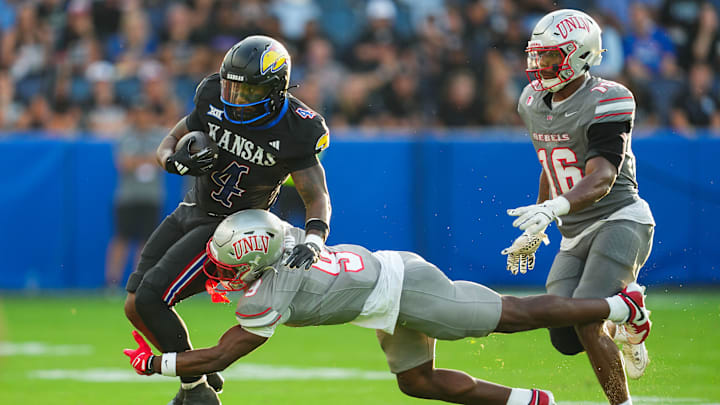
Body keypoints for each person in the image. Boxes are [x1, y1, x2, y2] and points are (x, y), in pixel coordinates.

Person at [124, 209, 651, 405]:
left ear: (257, 261)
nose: (225, 276)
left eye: (230, 266)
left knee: (511, 317)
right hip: (380, 303)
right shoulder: (285, 241)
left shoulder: (271, 292)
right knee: (416, 382)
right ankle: (533, 402)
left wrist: (158, 363)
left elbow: (219, 357)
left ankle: (618, 306)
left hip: (405, 288)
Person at [123, 35, 333, 405]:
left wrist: (315, 239)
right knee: (134, 305)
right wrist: (173, 161)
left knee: (151, 299)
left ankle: (198, 391)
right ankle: (197, 378)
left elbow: (316, 195)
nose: (234, 97)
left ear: (273, 91)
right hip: (192, 208)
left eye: (247, 90)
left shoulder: (297, 128)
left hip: (233, 228)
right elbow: (168, 142)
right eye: (230, 86)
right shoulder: (210, 96)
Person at [502, 9, 655, 405]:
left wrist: (553, 209)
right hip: (574, 231)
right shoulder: (532, 99)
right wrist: (539, 224)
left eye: (551, 57)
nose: (540, 65)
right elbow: (549, 163)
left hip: (619, 218)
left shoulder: (610, 98)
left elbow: (602, 178)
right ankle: (628, 313)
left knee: (587, 319)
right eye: (537, 56)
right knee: (564, 335)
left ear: (581, 55)